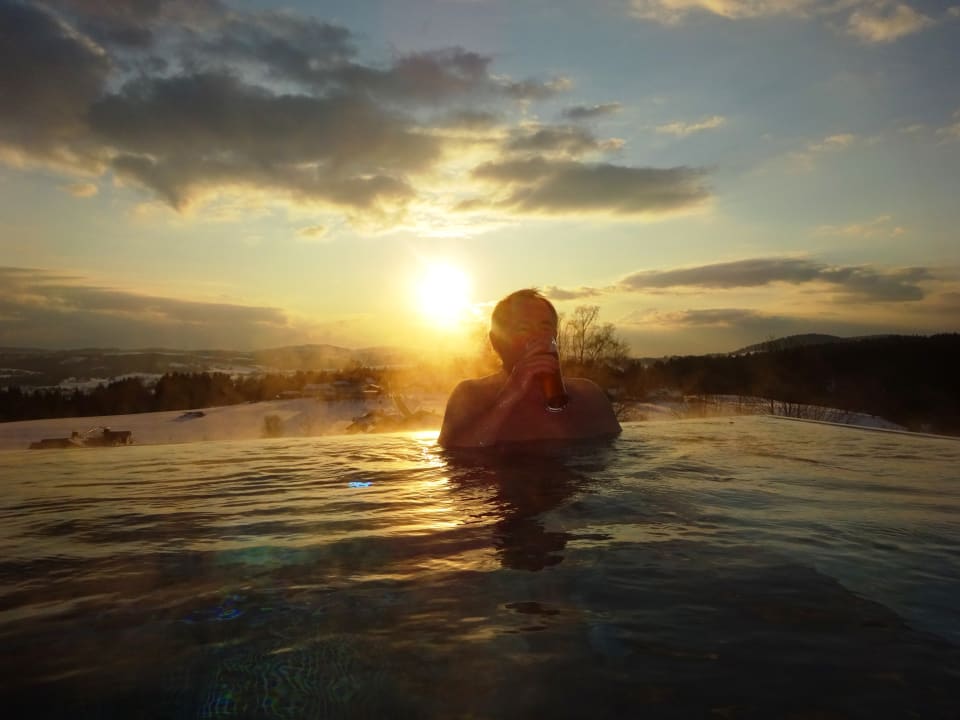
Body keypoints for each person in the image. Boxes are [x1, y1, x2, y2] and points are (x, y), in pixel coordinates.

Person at [438, 288, 621, 448]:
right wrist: (510, 394)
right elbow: (454, 458)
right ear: (496, 342)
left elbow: (616, 456)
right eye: (523, 329)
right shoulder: (470, 396)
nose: (537, 338)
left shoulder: (588, 396)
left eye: (545, 328)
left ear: (555, 336)